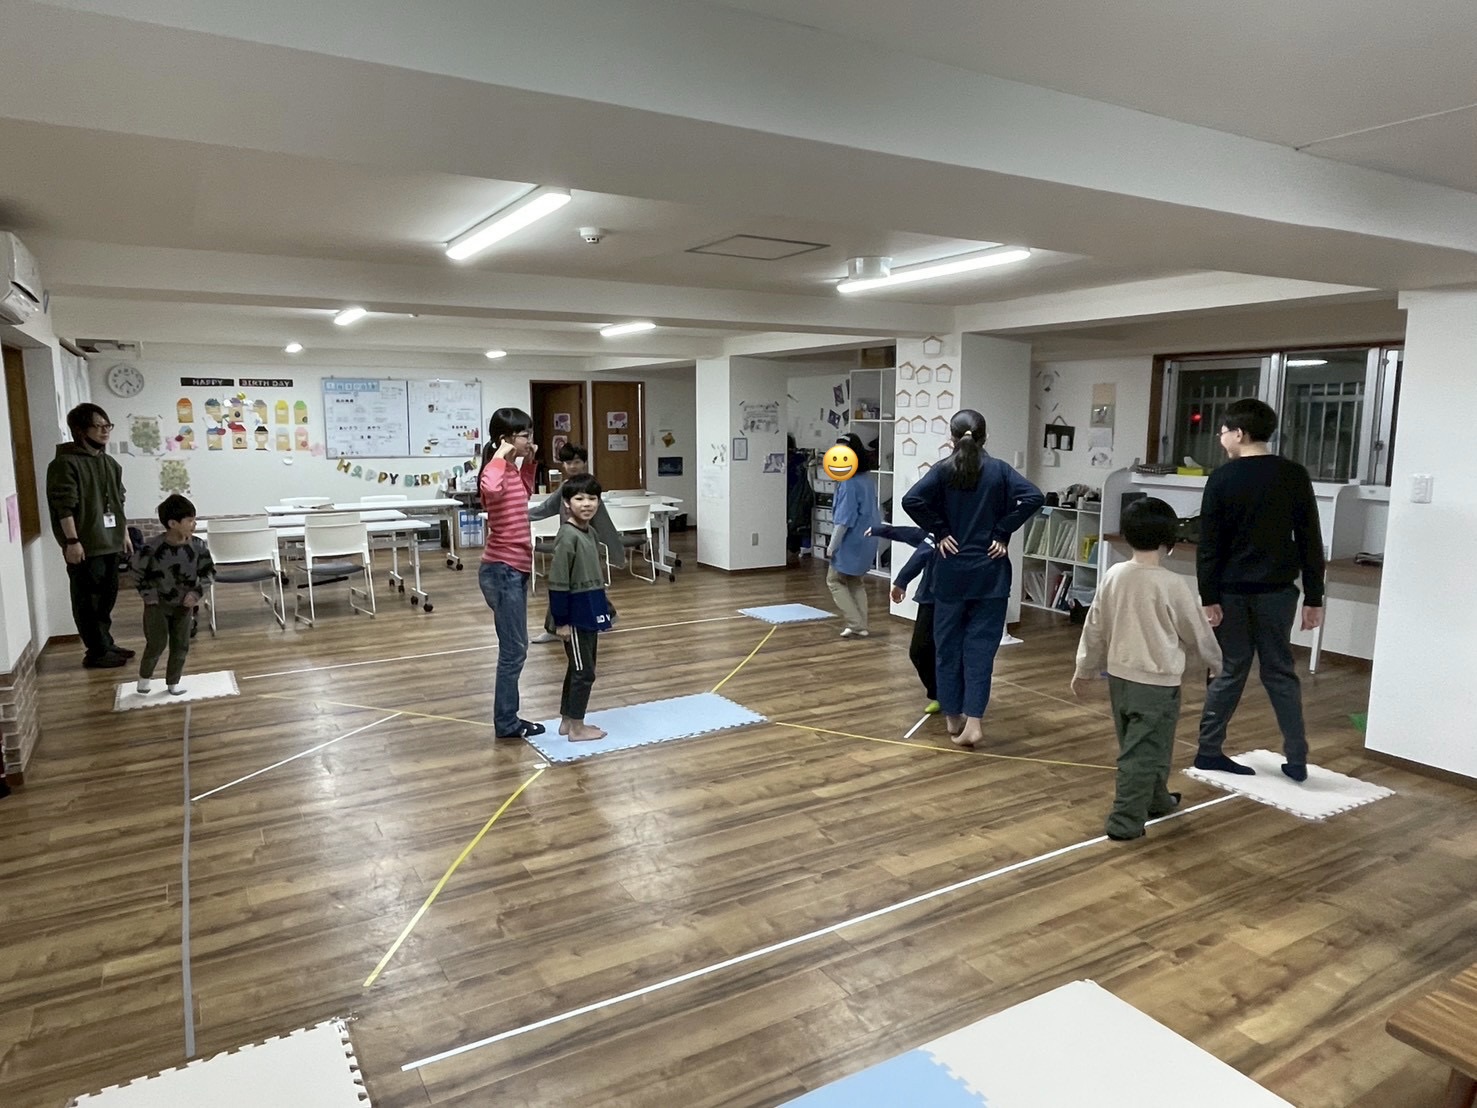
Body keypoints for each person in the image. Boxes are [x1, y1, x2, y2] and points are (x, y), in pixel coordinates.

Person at [1072, 498, 1223, 841]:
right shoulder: (1172, 584)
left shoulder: (1113, 575)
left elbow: (1094, 626)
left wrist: (1085, 668)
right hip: (1157, 684)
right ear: (1170, 541)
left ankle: (1157, 799)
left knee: (1149, 744)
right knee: (1141, 752)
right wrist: (1216, 663)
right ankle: (1124, 821)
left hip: (1120, 680)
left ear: (1127, 536)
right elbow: (1197, 631)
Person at [1194, 398, 1325, 781]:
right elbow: (1310, 539)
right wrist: (1314, 596)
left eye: (1223, 432)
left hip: (1230, 593)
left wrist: (1208, 597)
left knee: (1230, 670)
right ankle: (1297, 758)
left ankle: (1208, 751)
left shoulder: (1222, 478)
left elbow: (1209, 546)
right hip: (1279, 592)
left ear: (1239, 433)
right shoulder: (1293, 475)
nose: (1221, 438)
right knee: (1280, 672)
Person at [901, 410, 1043, 747]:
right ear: (985, 437)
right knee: (980, 652)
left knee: (947, 650)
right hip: (990, 575)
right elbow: (1034, 497)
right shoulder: (1000, 471)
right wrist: (1003, 531)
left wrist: (940, 530)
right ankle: (975, 722)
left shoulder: (942, 470)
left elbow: (911, 500)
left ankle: (954, 720)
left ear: (951, 439)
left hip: (950, 575)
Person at [46, 403, 134, 668]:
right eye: (98, 426)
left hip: (110, 541)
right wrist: (72, 541)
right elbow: (64, 506)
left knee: (107, 597)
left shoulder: (110, 463)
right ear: (80, 430)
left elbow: (118, 501)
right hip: (85, 545)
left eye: (108, 425)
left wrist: (124, 533)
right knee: (88, 600)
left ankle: (105, 643)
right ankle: (96, 651)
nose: (105, 431)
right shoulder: (64, 463)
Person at [478, 408, 545, 740]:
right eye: (524, 435)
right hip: (502, 570)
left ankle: (507, 720)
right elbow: (490, 489)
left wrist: (528, 463)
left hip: (515, 569)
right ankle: (506, 723)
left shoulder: (511, 472)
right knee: (514, 649)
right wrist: (500, 455)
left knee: (516, 647)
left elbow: (524, 493)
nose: (529, 440)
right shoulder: (494, 470)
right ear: (505, 439)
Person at [528, 442, 622, 643]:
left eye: (577, 462)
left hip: (585, 545)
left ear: (584, 463)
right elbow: (546, 508)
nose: (572, 466)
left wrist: (612, 550)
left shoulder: (588, 487)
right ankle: (607, 614)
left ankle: (558, 627)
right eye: (568, 462)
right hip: (568, 542)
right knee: (567, 586)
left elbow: (603, 522)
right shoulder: (566, 487)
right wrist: (518, 516)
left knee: (571, 586)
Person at [545, 474, 615, 741]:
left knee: (579, 668)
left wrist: (606, 608)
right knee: (584, 672)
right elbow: (558, 582)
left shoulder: (590, 533)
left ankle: (567, 721)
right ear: (566, 503)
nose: (587, 504)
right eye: (579, 498)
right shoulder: (568, 536)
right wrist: (562, 621)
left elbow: (592, 575)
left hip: (589, 610)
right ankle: (577, 727)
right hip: (573, 615)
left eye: (592, 498)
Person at [133, 495, 215, 695]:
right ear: (172, 524)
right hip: (157, 606)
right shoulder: (151, 548)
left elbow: (209, 573)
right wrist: (149, 596)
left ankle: (173, 682)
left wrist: (196, 594)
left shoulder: (198, 546)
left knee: (181, 645)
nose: (194, 524)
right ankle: (144, 679)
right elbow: (136, 572)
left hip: (184, 606)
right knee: (156, 643)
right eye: (190, 520)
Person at [868, 521, 940, 713]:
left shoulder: (957, 532)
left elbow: (922, 553)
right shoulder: (934, 531)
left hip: (955, 602)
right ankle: (939, 694)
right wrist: (879, 530)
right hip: (930, 601)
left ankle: (952, 696)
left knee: (946, 651)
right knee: (920, 651)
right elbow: (911, 534)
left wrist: (901, 581)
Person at [826, 432, 880, 637]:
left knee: (834, 580)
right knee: (855, 581)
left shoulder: (848, 482)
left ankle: (855, 623)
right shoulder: (866, 479)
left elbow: (844, 520)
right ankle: (862, 625)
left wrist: (832, 546)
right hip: (868, 536)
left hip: (851, 539)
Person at [786, 434, 814, 558]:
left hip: (795, 495)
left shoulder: (795, 462)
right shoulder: (799, 459)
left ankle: (795, 547)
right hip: (795, 495)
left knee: (794, 519)